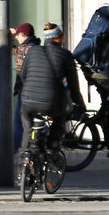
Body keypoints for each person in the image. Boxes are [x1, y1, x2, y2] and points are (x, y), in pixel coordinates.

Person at [16, 21, 86, 173]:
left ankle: (23, 166)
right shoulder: (65, 55)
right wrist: (80, 104)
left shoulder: (33, 51)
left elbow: (23, 74)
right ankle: (52, 149)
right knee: (59, 119)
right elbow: (74, 86)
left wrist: (30, 90)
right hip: (51, 102)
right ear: (59, 39)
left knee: (28, 130)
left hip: (28, 100)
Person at [11, 22, 37, 150]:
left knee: (19, 121)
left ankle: (12, 152)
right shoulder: (26, 47)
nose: (16, 37)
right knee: (28, 121)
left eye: (18, 35)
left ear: (24, 35)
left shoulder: (29, 49)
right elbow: (10, 49)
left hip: (26, 90)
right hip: (26, 89)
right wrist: (8, 35)